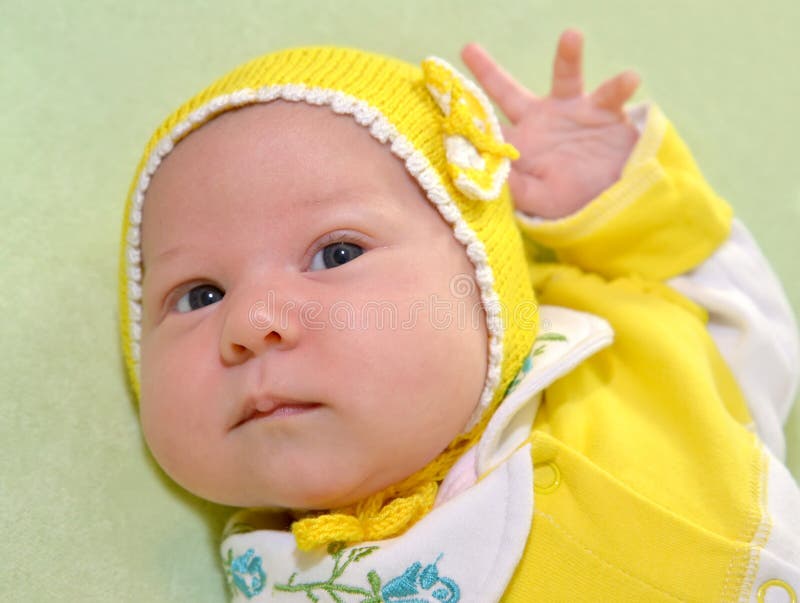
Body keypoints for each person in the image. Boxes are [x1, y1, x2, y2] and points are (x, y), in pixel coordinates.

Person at [119, 30, 800, 601]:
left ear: (481, 274)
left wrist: (620, 206)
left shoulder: (623, 346)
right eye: (200, 295)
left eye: (337, 254)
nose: (250, 321)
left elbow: (740, 322)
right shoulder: (283, 580)